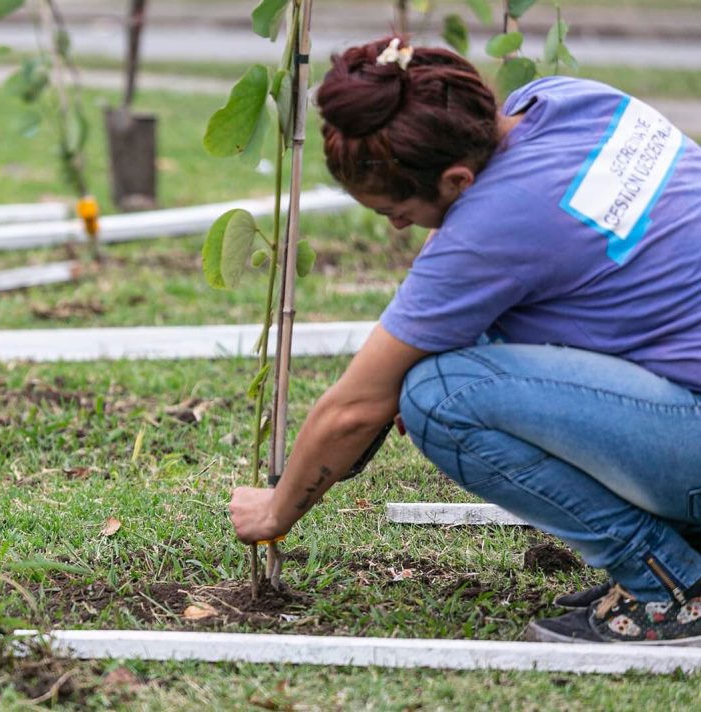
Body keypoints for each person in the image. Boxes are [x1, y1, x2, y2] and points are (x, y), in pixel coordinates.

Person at [228, 36, 701, 645]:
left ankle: (671, 585)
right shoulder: (568, 102)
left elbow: (355, 409)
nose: (400, 224)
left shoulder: (495, 223)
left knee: (440, 396)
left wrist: (275, 510)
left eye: (395, 210)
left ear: (456, 179)